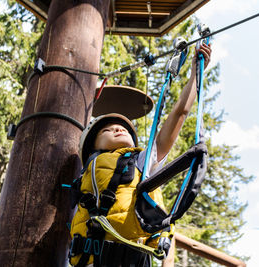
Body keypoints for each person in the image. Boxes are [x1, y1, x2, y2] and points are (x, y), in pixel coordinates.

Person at [69, 43, 212, 267]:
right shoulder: (84, 175)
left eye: (124, 129)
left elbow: (179, 115)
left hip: (132, 259)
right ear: (91, 146)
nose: (118, 129)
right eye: (108, 129)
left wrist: (196, 74)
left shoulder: (140, 163)